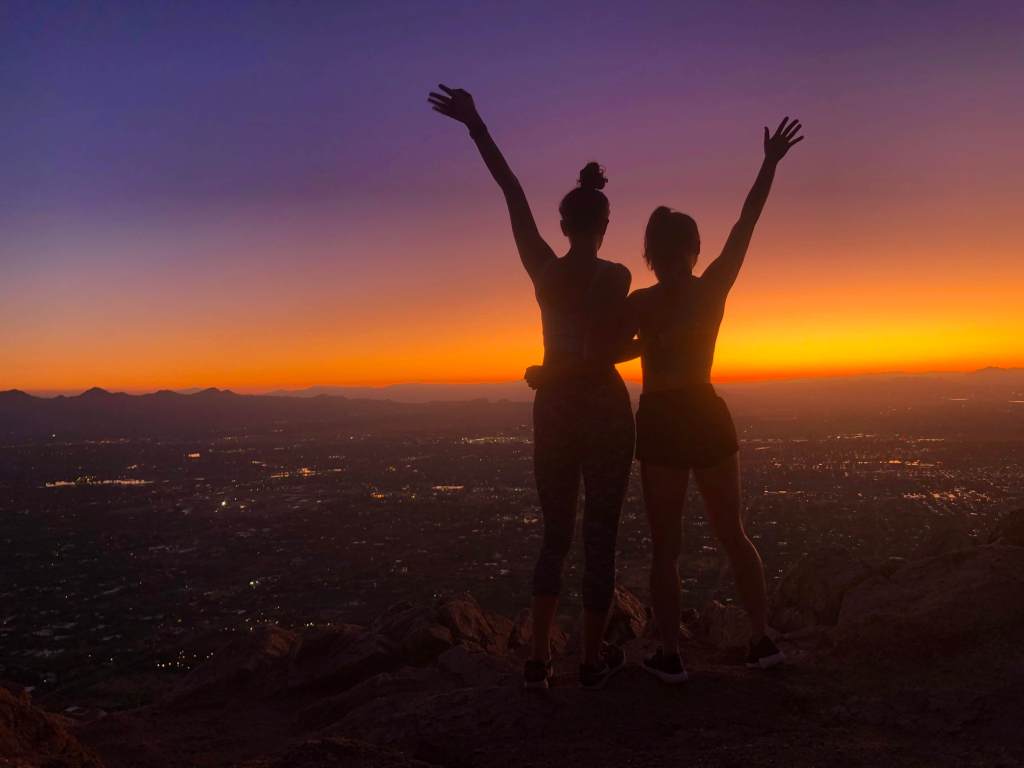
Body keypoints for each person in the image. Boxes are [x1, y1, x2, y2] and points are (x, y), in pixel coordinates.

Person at [428, 85, 635, 689]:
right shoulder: (619, 276)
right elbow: (619, 348)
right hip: (606, 408)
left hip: (557, 410)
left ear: (563, 224)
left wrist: (476, 124)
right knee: (602, 535)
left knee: (556, 536)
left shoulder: (544, 272)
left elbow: (511, 190)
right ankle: (593, 661)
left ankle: (538, 661)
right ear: (605, 223)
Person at [622, 118, 805, 682]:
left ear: (651, 252)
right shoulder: (712, 290)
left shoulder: (641, 303)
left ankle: (672, 656)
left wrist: (555, 370)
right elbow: (746, 224)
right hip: (706, 411)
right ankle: (762, 640)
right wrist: (769, 162)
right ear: (695, 249)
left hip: (661, 420)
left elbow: (604, 348)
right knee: (734, 534)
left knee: (666, 547)